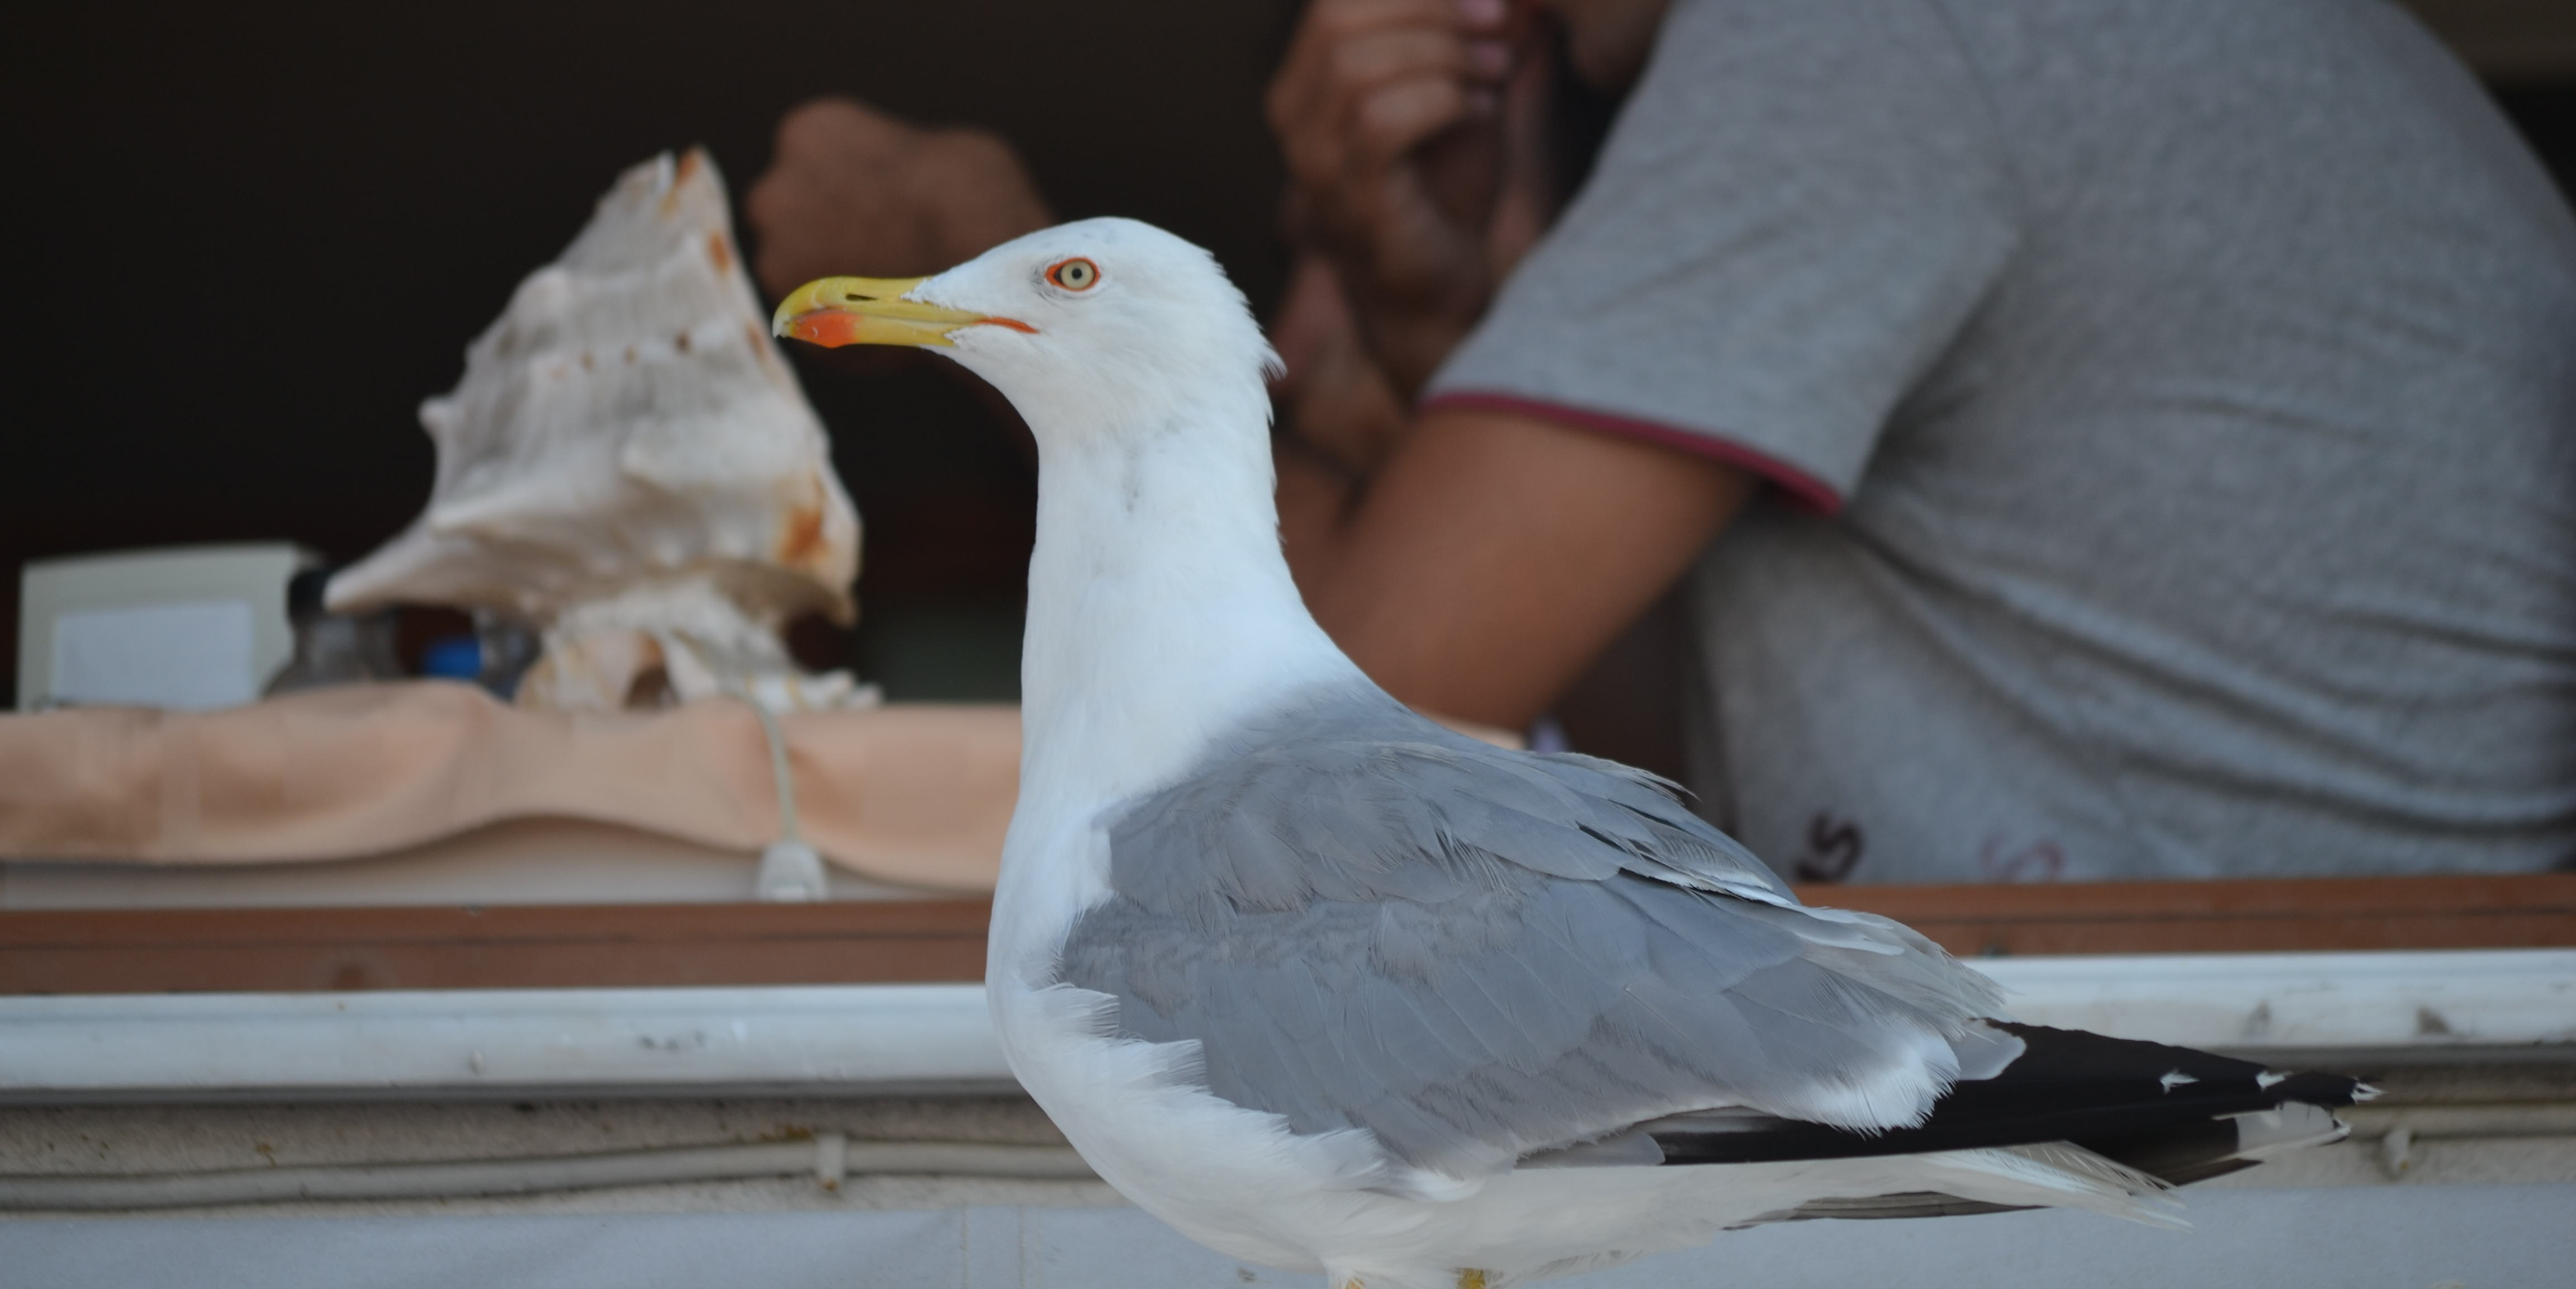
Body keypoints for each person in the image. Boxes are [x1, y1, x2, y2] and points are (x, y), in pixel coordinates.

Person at [755, 0, 2576, 884]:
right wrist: (1412, 314)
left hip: (2227, 1057)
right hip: (2322, 1052)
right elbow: (1623, 726)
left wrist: (1019, 275)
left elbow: (1313, 748)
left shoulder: (1867, 40)